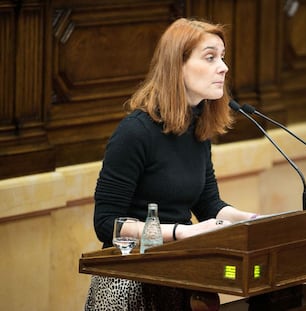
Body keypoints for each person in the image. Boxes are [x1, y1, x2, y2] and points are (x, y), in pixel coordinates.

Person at [84, 17, 257, 311]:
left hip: (180, 276)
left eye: (223, 57)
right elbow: (105, 223)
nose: (224, 67)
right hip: (130, 285)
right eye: (211, 57)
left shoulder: (197, 128)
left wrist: (253, 220)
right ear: (178, 65)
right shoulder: (135, 132)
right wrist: (179, 232)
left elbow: (208, 204)